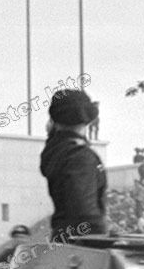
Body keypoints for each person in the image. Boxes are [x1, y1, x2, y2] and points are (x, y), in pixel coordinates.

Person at [41, 89, 107, 239]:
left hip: (64, 240)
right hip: (83, 248)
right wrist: (103, 239)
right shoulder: (80, 156)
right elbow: (84, 213)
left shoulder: (57, 149)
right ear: (87, 119)